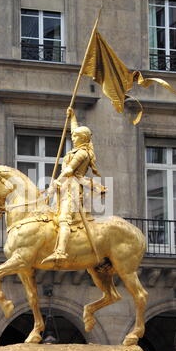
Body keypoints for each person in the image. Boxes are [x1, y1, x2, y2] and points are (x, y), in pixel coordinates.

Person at [42, 107, 104, 265]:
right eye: (73, 135)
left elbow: (69, 170)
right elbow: (74, 130)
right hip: (65, 185)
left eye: (76, 136)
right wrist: (72, 117)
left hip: (73, 186)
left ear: (83, 139)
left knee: (64, 218)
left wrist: (58, 180)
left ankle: (61, 251)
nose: (73, 137)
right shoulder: (77, 148)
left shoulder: (82, 153)